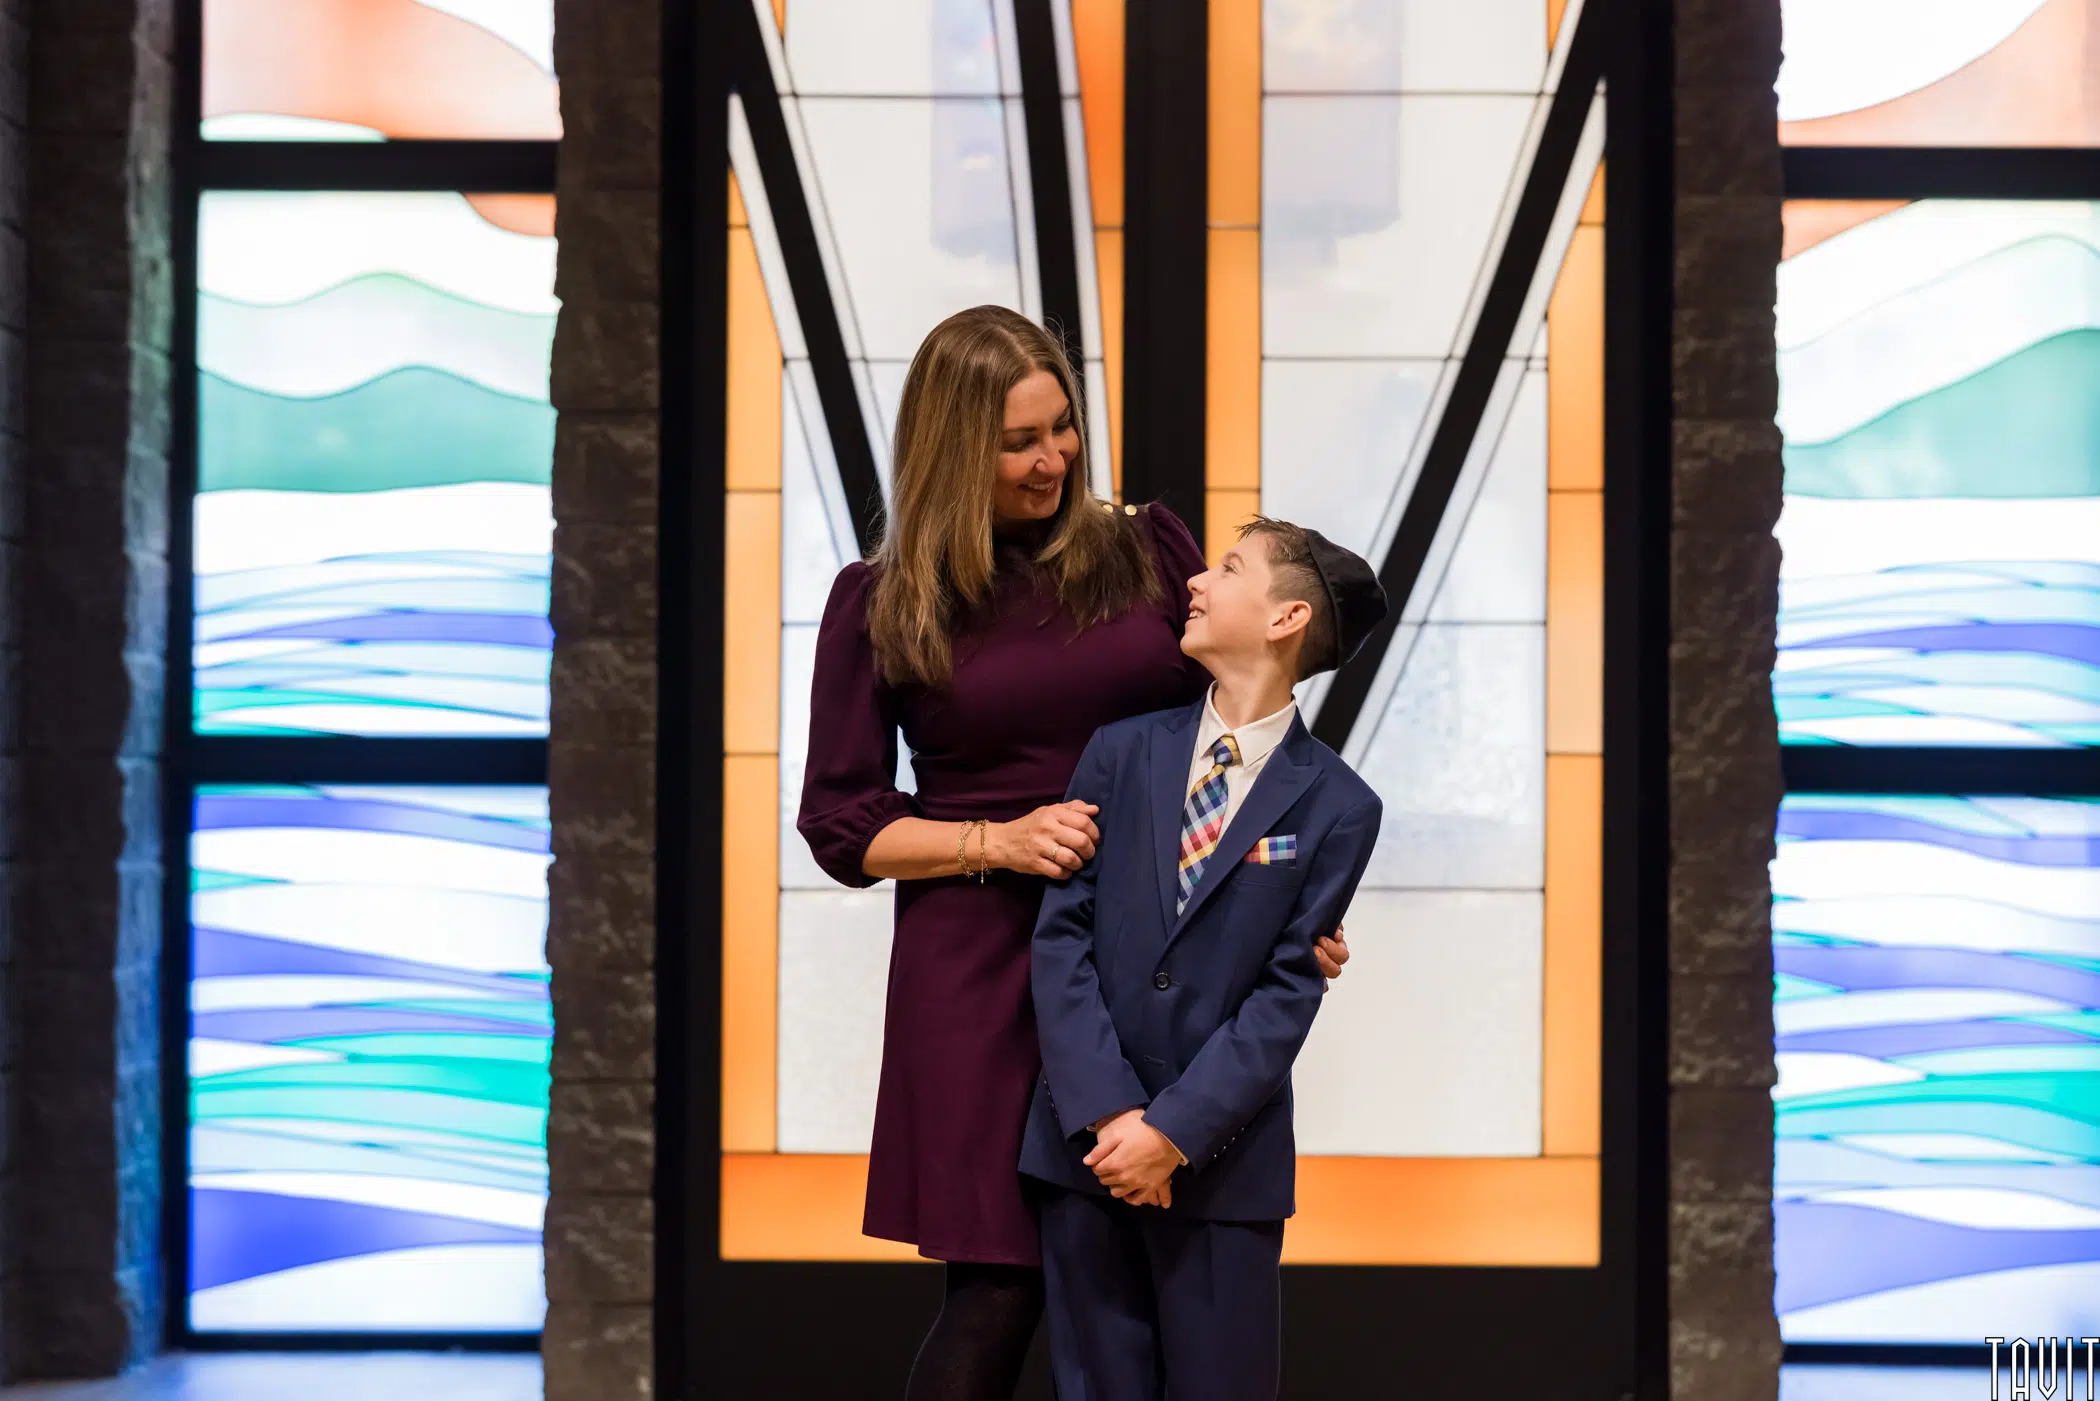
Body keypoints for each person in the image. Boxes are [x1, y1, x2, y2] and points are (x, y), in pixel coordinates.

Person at [797, 305, 1351, 1401]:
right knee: (1000, 1289)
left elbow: (1240, 729)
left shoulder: (1145, 548)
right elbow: (841, 824)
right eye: (1017, 442)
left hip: (1152, 955)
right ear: (953, 448)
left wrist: (1295, 902)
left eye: (1061, 430)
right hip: (980, 970)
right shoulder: (882, 599)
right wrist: (993, 840)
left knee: (1150, 1277)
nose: (1051, 459)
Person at [1019, 516, 1389, 1401]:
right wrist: (1113, 1115)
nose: (1196, 581)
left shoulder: (1341, 804)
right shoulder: (1119, 752)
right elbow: (1060, 932)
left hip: (1226, 1168)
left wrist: (1174, 1134)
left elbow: (1284, 995)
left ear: (1284, 617)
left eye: (1227, 568)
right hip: (1088, 1154)